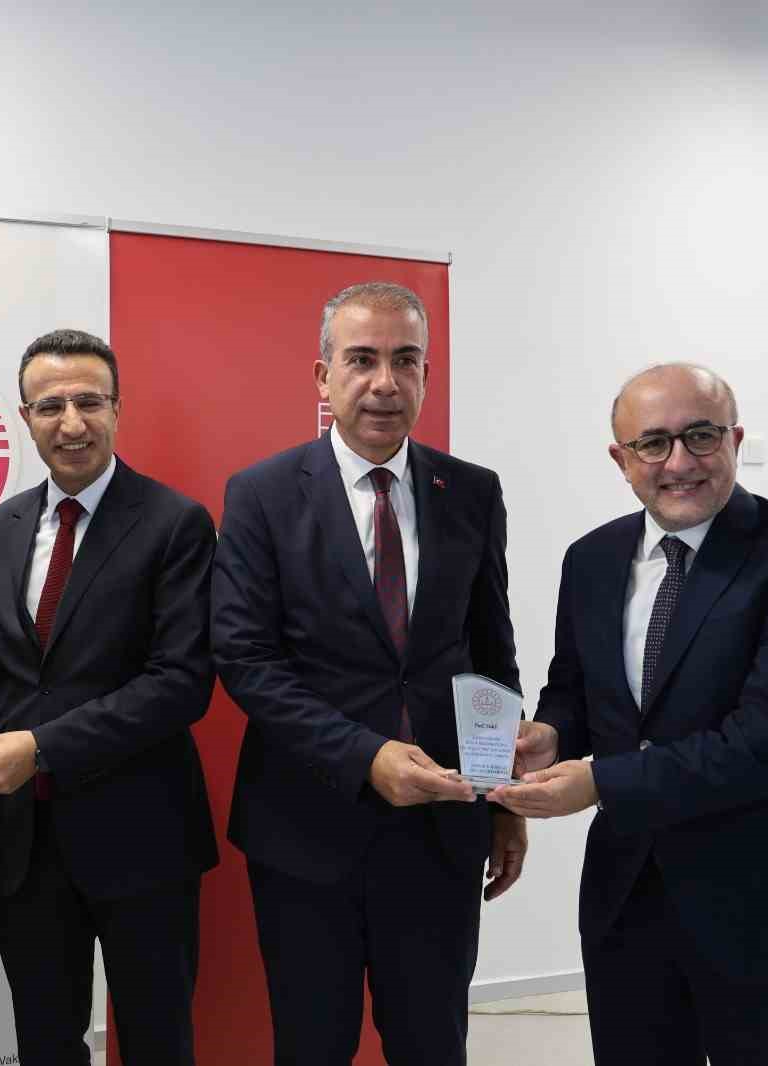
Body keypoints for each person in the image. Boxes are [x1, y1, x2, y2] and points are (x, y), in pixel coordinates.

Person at [489, 364, 768, 1066]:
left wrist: (601, 782)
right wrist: (551, 735)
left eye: (701, 436)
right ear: (621, 459)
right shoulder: (591, 559)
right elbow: (576, 688)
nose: (680, 462)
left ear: (735, 439)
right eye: (654, 443)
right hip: (630, 897)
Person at [211, 282, 525, 1065]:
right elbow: (246, 659)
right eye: (362, 360)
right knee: (313, 1044)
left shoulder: (472, 491)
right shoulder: (262, 494)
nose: (384, 382)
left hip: (441, 833)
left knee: (432, 1043)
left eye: (405, 360)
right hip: (305, 828)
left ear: (426, 375)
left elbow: (491, 655)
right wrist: (367, 756)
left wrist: (502, 797)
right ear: (324, 377)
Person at [0, 328, 218, 1065]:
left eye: (90, 401)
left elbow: (180, 683)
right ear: (25, 417)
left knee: (156, 1040)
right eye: (51, 405)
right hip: (26, 842)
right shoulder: (3, 525)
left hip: (143, 834)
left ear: (119, 409)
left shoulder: (176, 523)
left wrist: (39, 747)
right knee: (45, 1041)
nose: (72, 422)